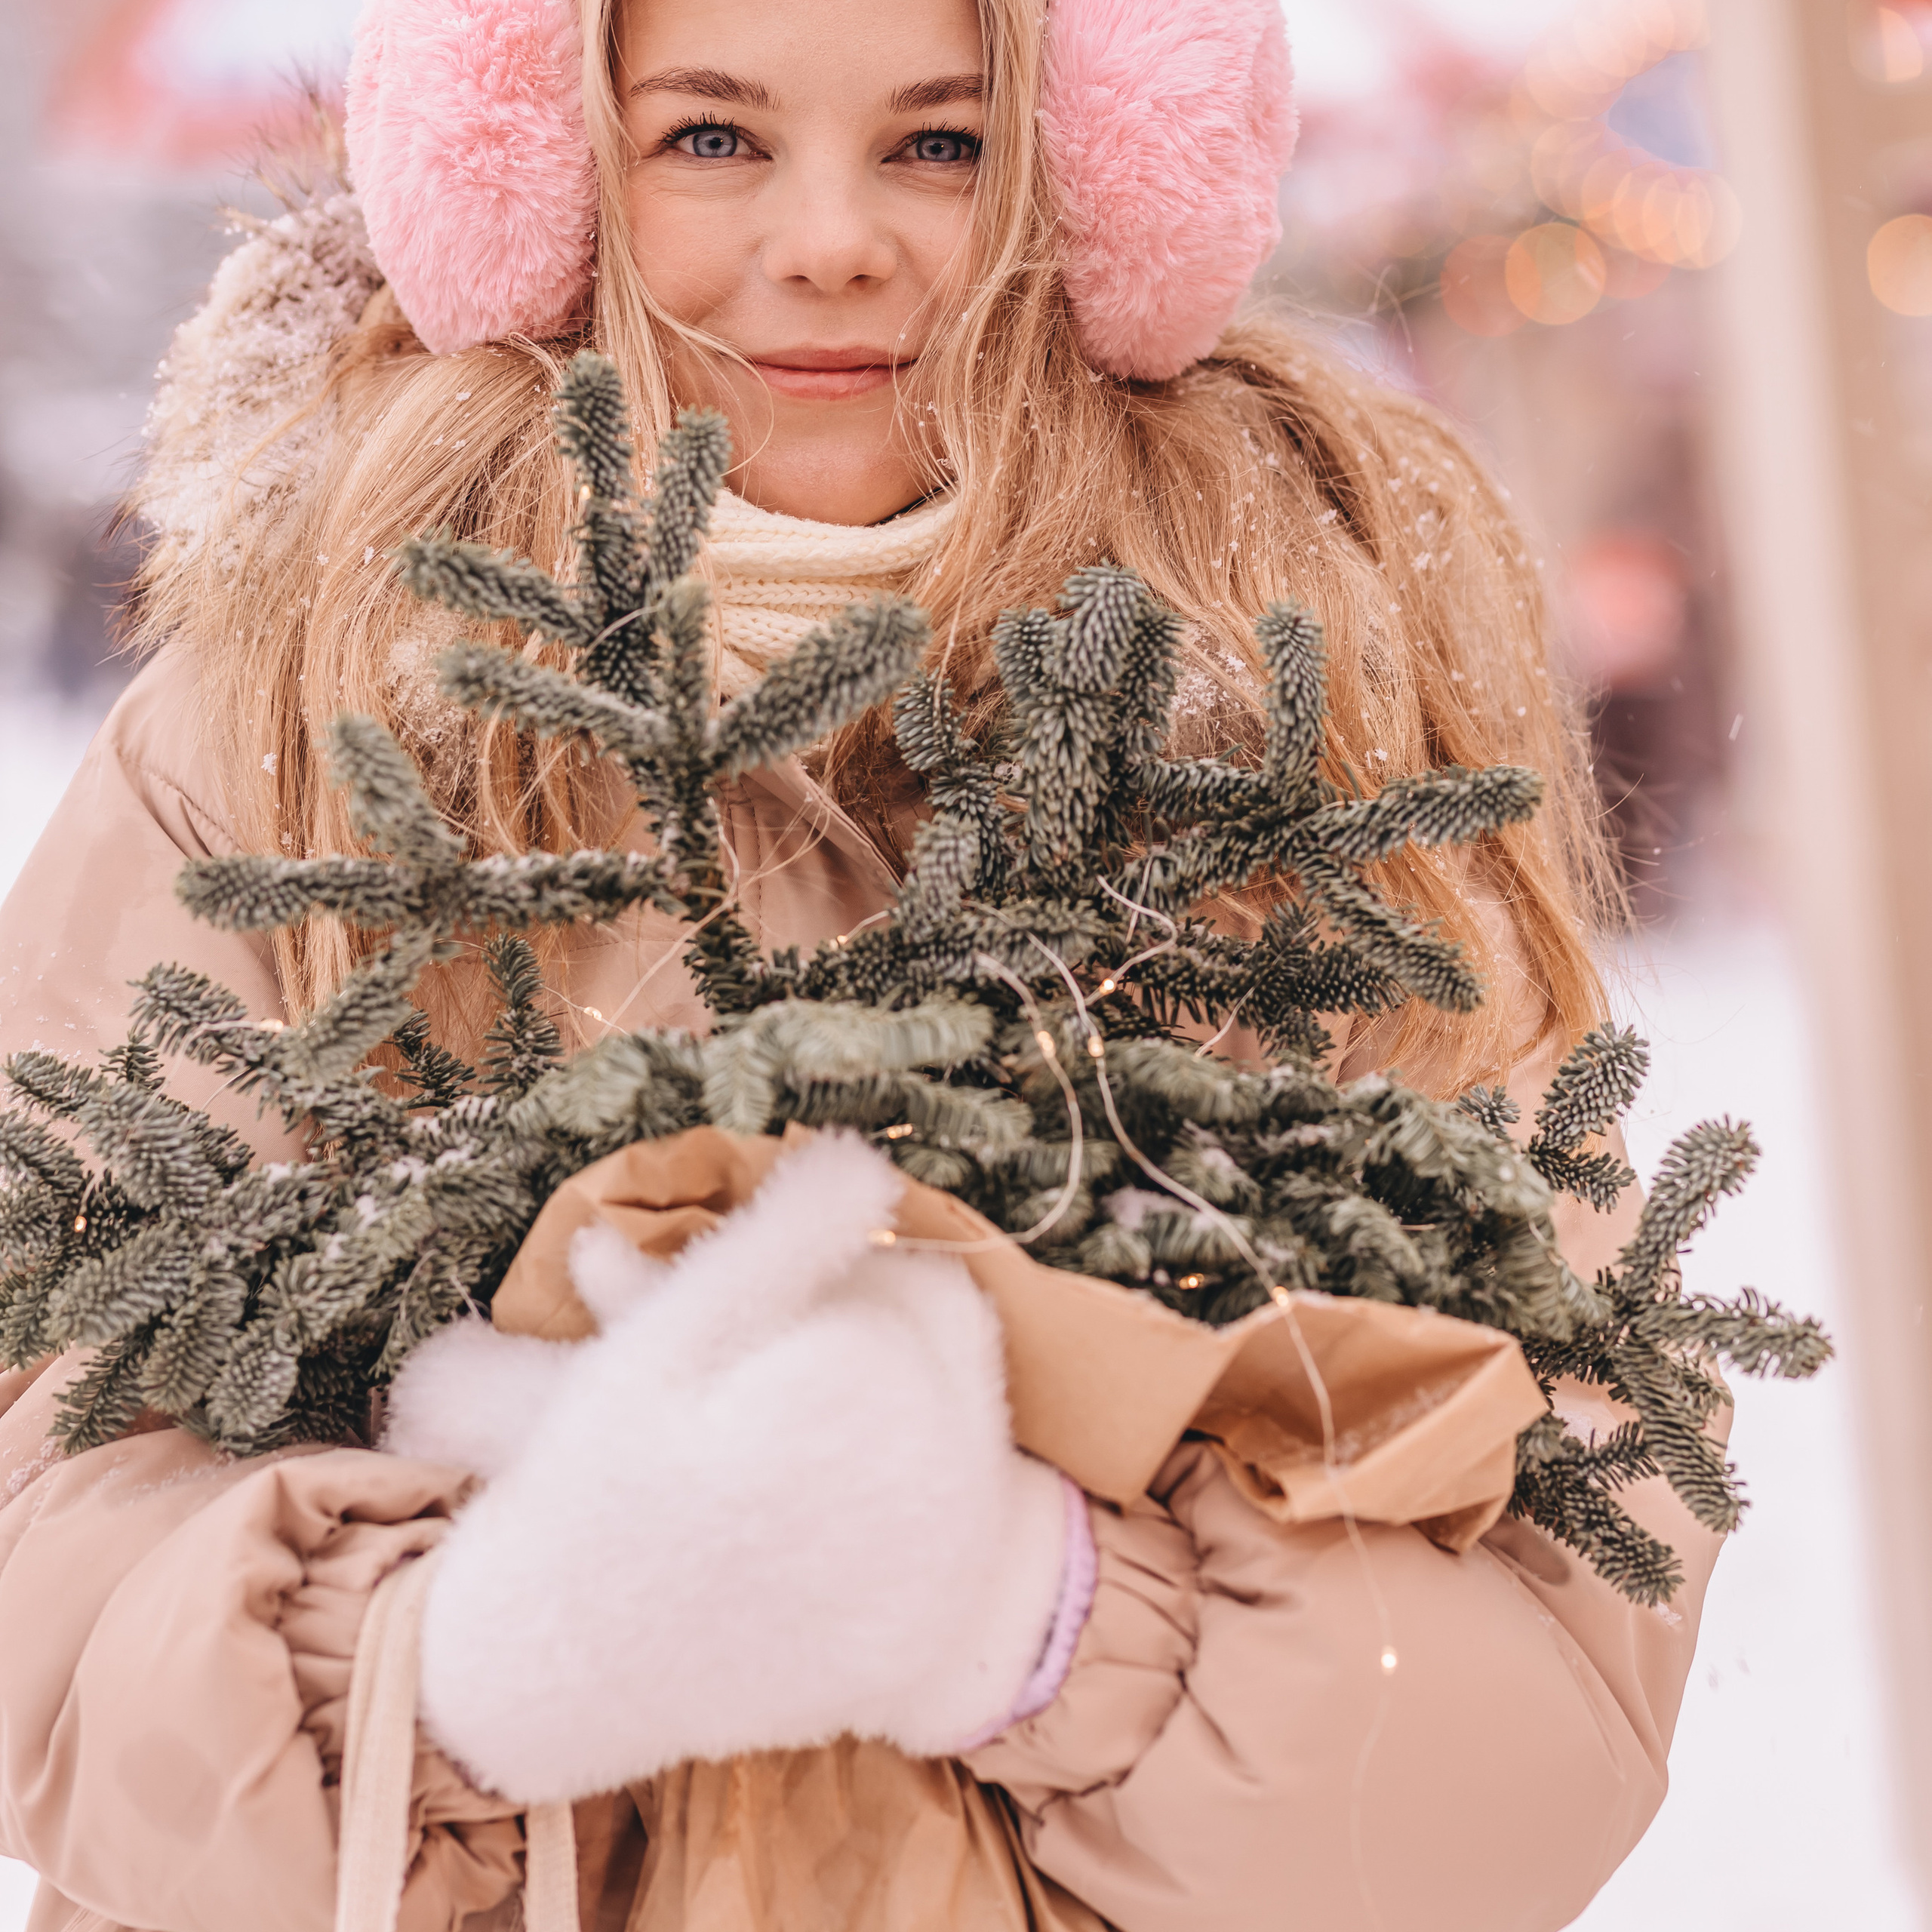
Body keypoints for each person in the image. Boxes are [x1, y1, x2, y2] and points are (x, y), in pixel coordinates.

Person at [0, 0, 1724, 1927]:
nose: (830, 240)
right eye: (713, 140)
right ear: (549, 175)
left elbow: (1549, 1655)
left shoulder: (1300, 744)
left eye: (940, 144)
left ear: (1095, 184)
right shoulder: (282, 736)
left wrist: (1034, 1621)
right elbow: (45, 1475)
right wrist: (463, 1661)